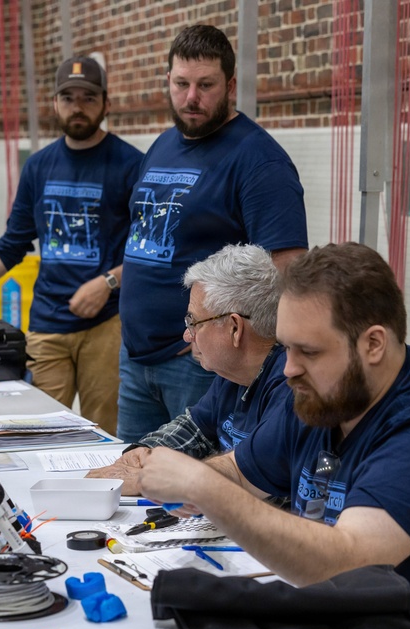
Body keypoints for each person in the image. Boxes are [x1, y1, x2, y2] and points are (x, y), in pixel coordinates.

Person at [137, 242, 410, 629]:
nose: (289, 369)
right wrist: (189, 479)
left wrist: (202, 486)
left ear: (374, 344)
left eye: (308, 351)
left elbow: (347, 562)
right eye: (286, 348)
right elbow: (239, 472)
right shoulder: (320, 397)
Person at [0, 56, 143, 435]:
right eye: (69, 97)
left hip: (107, 324)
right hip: (48, 324)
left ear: (106, 104)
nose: (78, 106)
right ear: (55, 104)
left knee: (105, 433)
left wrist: (108, 281)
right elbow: (11, 246)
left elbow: (149, 248)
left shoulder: (131, 164)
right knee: (40, 432)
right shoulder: (39, 167)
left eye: (88, 97)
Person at [117, 24, 308, 443]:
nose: (191, 98)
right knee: (133, 482)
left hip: (201, 361)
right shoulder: (163, 145)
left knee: (199, 493)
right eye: (181, 83)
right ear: (167, 79)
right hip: (135, 357)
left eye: (205, 85)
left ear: (231, 84)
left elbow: (287, 274)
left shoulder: (260, 161)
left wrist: (215, 339)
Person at [87, 244, 288, 495]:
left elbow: (254, 478)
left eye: (194, 322)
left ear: (235, 328)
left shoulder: (288, 387)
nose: (186, 335)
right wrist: (143, 452)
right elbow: (194, 428)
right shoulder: (233, 372)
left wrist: (152, 477)